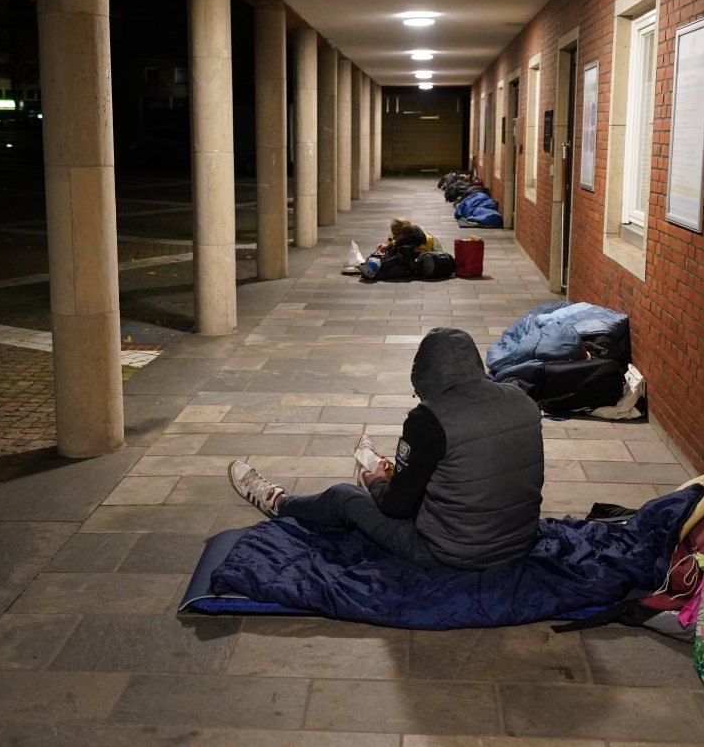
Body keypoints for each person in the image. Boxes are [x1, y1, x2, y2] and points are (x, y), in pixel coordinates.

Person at [227, 327, 545, 570]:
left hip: (452, 553)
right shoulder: (523, 401)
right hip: (520, 542)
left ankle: (278, 503)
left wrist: (375, 481)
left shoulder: (429, 419)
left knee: (343, 497)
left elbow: (397, 508)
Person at [362, 218, 437, 280]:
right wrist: (388, 244)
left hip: (427, 251)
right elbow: (395, 239)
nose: (394, 235)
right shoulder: (413, 229)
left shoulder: (409, 242)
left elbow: (398, 245)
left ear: (401, 233)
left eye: (395, 233)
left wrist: (382, 259)